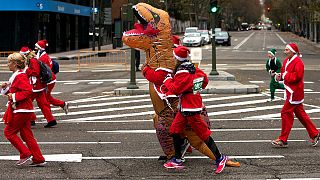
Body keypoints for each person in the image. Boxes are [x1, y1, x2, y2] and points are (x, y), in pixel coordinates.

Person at [162, 46, 229, 174]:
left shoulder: (182, 72)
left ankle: (220, 157)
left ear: (177, 59)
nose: (173, 59)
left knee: (203, 134)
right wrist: (195, 90)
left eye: (174, 57)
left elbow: (176, 89)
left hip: (190, 108)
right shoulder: (193, 68)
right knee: (175, 130)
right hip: (187, 106)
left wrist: (168, 80)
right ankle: (177, 159)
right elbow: (205, 80)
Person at [1, 53, 46, 166]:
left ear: (15, 64)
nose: (8, 65)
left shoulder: (20, 76)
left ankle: (25, 153)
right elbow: (14, 92)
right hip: (25, 110)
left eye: (9, 62)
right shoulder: (18, 75)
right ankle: (38, 158)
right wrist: (6, 89)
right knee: (27, 135)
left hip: (22, 109)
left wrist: (14, 96)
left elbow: (27, 91)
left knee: (9, 132)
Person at [272, 43, 320, 147]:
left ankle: (283, 139)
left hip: (295, 92)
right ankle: (315, 134)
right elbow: (284, 73)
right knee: (301, 115)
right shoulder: (286, 61)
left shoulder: (298, 62)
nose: (285, 52)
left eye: (287, 50)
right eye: (285, 50)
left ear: (293, 51)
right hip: (290, 91)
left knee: (285, 113)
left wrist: (285, 75)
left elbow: (297, 76)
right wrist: (279, 77)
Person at [34, 40, 69, 126]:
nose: (34, 49)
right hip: (50, 79)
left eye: (36, 47)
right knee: (46, 98)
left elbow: (40, 70)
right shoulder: (43, 56)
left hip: (48, 80)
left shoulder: (42, 58)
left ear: (39, 48)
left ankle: (50, 119)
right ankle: (61, 106)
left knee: (44, 99)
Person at [20, 46, 57, 128]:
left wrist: (27, 71)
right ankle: (51, 120)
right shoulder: (33, 60)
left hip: (36, 86)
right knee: (42, 104)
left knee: (27, 101)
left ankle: (32, 119)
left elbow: (36, 72)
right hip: (39, 86)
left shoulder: (33, 61)